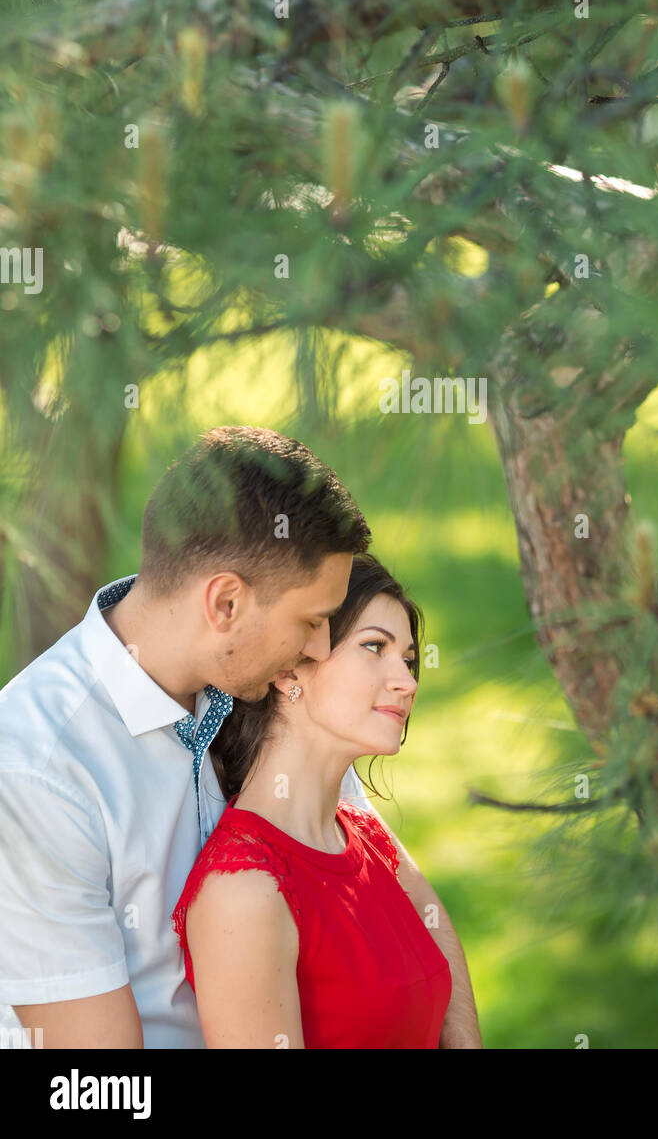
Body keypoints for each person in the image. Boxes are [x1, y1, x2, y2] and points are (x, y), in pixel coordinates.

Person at [0, 426, 481, 1048]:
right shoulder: (37, 768)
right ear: (225, 603)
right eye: (312, 621)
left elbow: (410, 904)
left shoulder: (251, 686)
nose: (317, 649)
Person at [173, 553, 453, 1048]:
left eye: (408, 660)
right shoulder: (244, 893)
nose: (408, 682)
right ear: (288, 670)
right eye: (374, 647)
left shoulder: (365, 838)